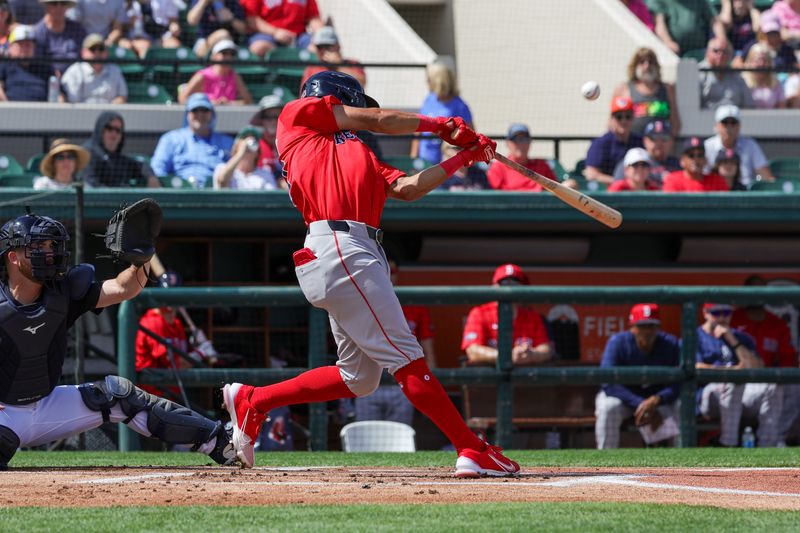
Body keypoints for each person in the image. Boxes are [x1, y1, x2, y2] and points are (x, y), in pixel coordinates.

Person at [220, 70, 518, 477]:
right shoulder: (298, 116)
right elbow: (378, 121)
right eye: (355, 103)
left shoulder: (355, 152)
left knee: (358, 377)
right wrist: (443, 127)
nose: (360, 111)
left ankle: (254, 400)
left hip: (355, 250)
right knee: (406, 355)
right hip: (340, 243)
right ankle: (470, 447)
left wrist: (465, 156)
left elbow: (409, 188)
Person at [0, 212, 236, 469]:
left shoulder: (63, 291)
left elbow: (125, 289)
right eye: (39, 246)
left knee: (120, 396)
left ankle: (220, 443)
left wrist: (141, 260)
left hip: (47, 404)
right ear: (13, 257)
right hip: (5, 415)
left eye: (50, 245)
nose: (49, 252)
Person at [354, 259, 436, 426]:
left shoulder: (413, 304)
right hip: (371, 378)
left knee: (399, 435)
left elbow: (428, 348)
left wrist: (432, 389)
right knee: (366, 437)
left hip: (403, 379)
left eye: (391, 272)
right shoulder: (360, 300)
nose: (387, 277)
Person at [595, 303, 681, 449]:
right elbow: (609, 383)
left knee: (682, 405)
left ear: (658, 327)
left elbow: (679, 382)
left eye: (651, 326)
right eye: (642, 326)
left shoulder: (670, 344)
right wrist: (641, 404)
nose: (647, 331)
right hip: (625, 399)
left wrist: (657, 400)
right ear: (632, 327)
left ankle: (682, 458)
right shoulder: (618, 343)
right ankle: (605, 459)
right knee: (608, 407)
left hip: (658, 401)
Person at [696, 303, 781, 447]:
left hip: (740, 393)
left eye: (726, 313)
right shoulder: (695, 336)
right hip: (707, 397)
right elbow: (697, 368)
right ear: (705, 313)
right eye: (716, 313)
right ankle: (728, 444)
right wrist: (733, 370)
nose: (722, 317)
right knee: (733, 382)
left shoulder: (741, 337)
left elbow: (758, 367)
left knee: (772, 386)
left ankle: (768, 445)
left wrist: (732, 340)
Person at [731, 275, 799, 446]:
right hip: (739, 382)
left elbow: (788, 360)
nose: (757, 295)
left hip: (767, 383)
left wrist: (777, 377)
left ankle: (776, 439)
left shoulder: (776, 324)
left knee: (794, 386)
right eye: (753, 290)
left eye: (761, 290)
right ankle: (723, 441)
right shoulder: (733, 320)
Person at [462, 264, 553, 367]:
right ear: (494, 287)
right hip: (490, 377)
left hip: (524, 377)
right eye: (503, 283)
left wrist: (531, 354)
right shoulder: (479, 313)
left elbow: (546, 349)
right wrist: (506, 356)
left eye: (515, 284)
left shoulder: (533, 317)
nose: (509, 288)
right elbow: (473, 351)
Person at [150, 92, 234, 187]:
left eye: (204, 110)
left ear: (212, 114)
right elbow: (158, 170)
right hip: (178, 193)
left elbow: (238, 173)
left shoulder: (227, 142)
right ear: (187, 114)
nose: (200, 114)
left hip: (216, 194)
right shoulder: (171, 139)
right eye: (195, 111)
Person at [411, 60, 473, 166]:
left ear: (439, 81)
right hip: (424, 162)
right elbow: (418, 132)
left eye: (429, 79)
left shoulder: (459, 105)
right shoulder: (428, 100)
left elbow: (470, 136)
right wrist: (413, 158)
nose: (427, 81)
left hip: (448, 164)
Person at [612, 47, 681, 136]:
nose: (647, 66)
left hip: (659, 145)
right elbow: (613, 123)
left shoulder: (668, 89)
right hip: (632, 143)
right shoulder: (623, 89)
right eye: (642, 62)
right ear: (635, 66)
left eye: (651, 62)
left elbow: (675, 122)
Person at [82, 111, 159, 188]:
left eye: (118, 130)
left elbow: (141, 166)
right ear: (100, 129)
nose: (114, 134)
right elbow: (91, 185)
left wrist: (151, 177)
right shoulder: (87, 154)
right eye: (109, 128)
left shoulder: (119, 160)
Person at [703, 104, 774, 187]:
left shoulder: (750, 145)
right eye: (725, 122)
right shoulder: (707, 146)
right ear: (716, 125)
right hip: (715, 193)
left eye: (733, 123)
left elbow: (766, 176)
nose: (729, 127)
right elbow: (702, 176)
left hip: (746, 195)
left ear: (739, 126)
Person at [584, 96, 644, 185]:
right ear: (611, 119)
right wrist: (620, 183)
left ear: (633, 118)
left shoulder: (640, 141)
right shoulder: (601, 143)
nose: (623, 121)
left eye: (628, 116)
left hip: (636, 191)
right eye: (619, 117)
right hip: (607, 193)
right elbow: (591, 174)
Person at [178, 38, 252, 105]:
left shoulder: (235, 76)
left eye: (232, 54)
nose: (228, 57)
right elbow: (182, 99)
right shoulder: (202, 75)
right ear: (214, 56)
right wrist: (206, 103)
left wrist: (229, 103)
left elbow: (248, 101)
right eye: (224, 53)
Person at [486, 123, 557, 192]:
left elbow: (556, 189)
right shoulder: (498, 167)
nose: (521, 144)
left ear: (530, 142)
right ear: (508, 143)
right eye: (516, 139)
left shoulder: (542, 165)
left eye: (525, 139)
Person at [241, 0, 324, 58]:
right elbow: (251, 19)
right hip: (267, 35)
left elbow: (314, 18)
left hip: (299, 37)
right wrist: (275, 32)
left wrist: (321, 35)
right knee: (259, 47)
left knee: (319, 48)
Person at [60, 33, 128, 104]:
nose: (97, 53)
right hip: (80, 113)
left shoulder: (114, 70)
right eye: (92, 49)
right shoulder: (74, 71)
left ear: (106, 52)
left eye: (101, 49)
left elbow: (122, 96)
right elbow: (68, 100)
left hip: (108, 113)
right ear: (83, 52)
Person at [613, 119, 680, 184]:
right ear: (645, 141)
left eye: (664, 138)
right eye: (654, 138)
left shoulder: (680, 164)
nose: (659, 143)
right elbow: (617, 190)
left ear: (672, 142)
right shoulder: (632, 161)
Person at [213, 126, 279, 190]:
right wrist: (240, 152)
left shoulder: (266, 174)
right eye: (244, 139)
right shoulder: (222, 167)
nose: (248, 143)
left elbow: (271, 198)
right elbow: (222, 181)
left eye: (254, 141)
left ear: (258, 151)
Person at [0, 24, 54, 102]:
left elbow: (57, 92)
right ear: (10, 47)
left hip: (42, 111)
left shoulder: (44, 67)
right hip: (11, 111)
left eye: (28, 45)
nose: (25, 48)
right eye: (21, 44)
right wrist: (7, 106)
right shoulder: (5, 65)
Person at [300, 26, 366, 90]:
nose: (323, 50)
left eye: (327, 46)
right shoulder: (312, 68)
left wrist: (339, 66)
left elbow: (361, 84)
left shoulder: (353, 63)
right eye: (319, 47)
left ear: (338, 46)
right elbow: (304, 94)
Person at [649, 0, 725, 55]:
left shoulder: (700, 2)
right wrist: (668, 42)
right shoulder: (660, 1)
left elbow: (715, 21)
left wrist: (722, 39)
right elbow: (660, 25)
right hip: (675, 53)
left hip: (699, 52)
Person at [699, 36, 755, 109]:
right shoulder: (698, 73)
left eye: (725, 52)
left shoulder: (737, 76)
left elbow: (749, 105)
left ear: (730, 55)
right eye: (716, 51)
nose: (720, 55)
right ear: (707, 53)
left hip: (734, 118)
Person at [32, 0, 85, 74]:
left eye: (63, 3)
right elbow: (38, 63)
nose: (59, 7)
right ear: (47, 6)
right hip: (47, 78)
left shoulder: (77, 30)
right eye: (54, 3)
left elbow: (85, 56)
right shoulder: (38, 32)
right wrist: (52, 72)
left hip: (77, 77)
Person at [248, 93, 287, 188]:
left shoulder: (292, 144)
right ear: (262, 120)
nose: (273, 121)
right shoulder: (254, 145)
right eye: (268, 117)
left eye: (276, 116)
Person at [663, 137, 729, 193]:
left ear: (705, 160)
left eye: (700, 155)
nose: (696, 159)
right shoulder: (673, 180)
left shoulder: (717, 182)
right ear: (682, 161)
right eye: (691, 155)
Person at [741, 42, 786, 109]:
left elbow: (782, 109)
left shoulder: (776, 83)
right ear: (750, 62)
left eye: (765, 60)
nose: (761, 64)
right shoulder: (742, 82)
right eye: (757, 60)